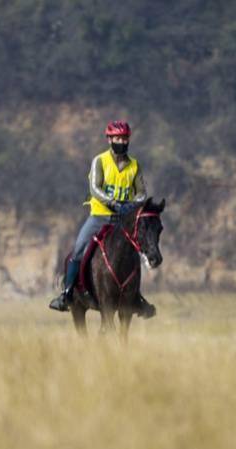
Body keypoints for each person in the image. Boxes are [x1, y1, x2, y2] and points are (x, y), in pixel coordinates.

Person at [49, 120, 156, 318]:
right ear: (109, 139)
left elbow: (142, 193)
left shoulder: (134, 166)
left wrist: (132, 205)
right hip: (99, 216)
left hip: (123, 219)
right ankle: (67, 293)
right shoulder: (100, 161)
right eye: (117, 138)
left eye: (124, 139)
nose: (121, 142)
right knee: (79, 248)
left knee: (136, 253)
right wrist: (112, 202)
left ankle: (136, 298)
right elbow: (94, 189)